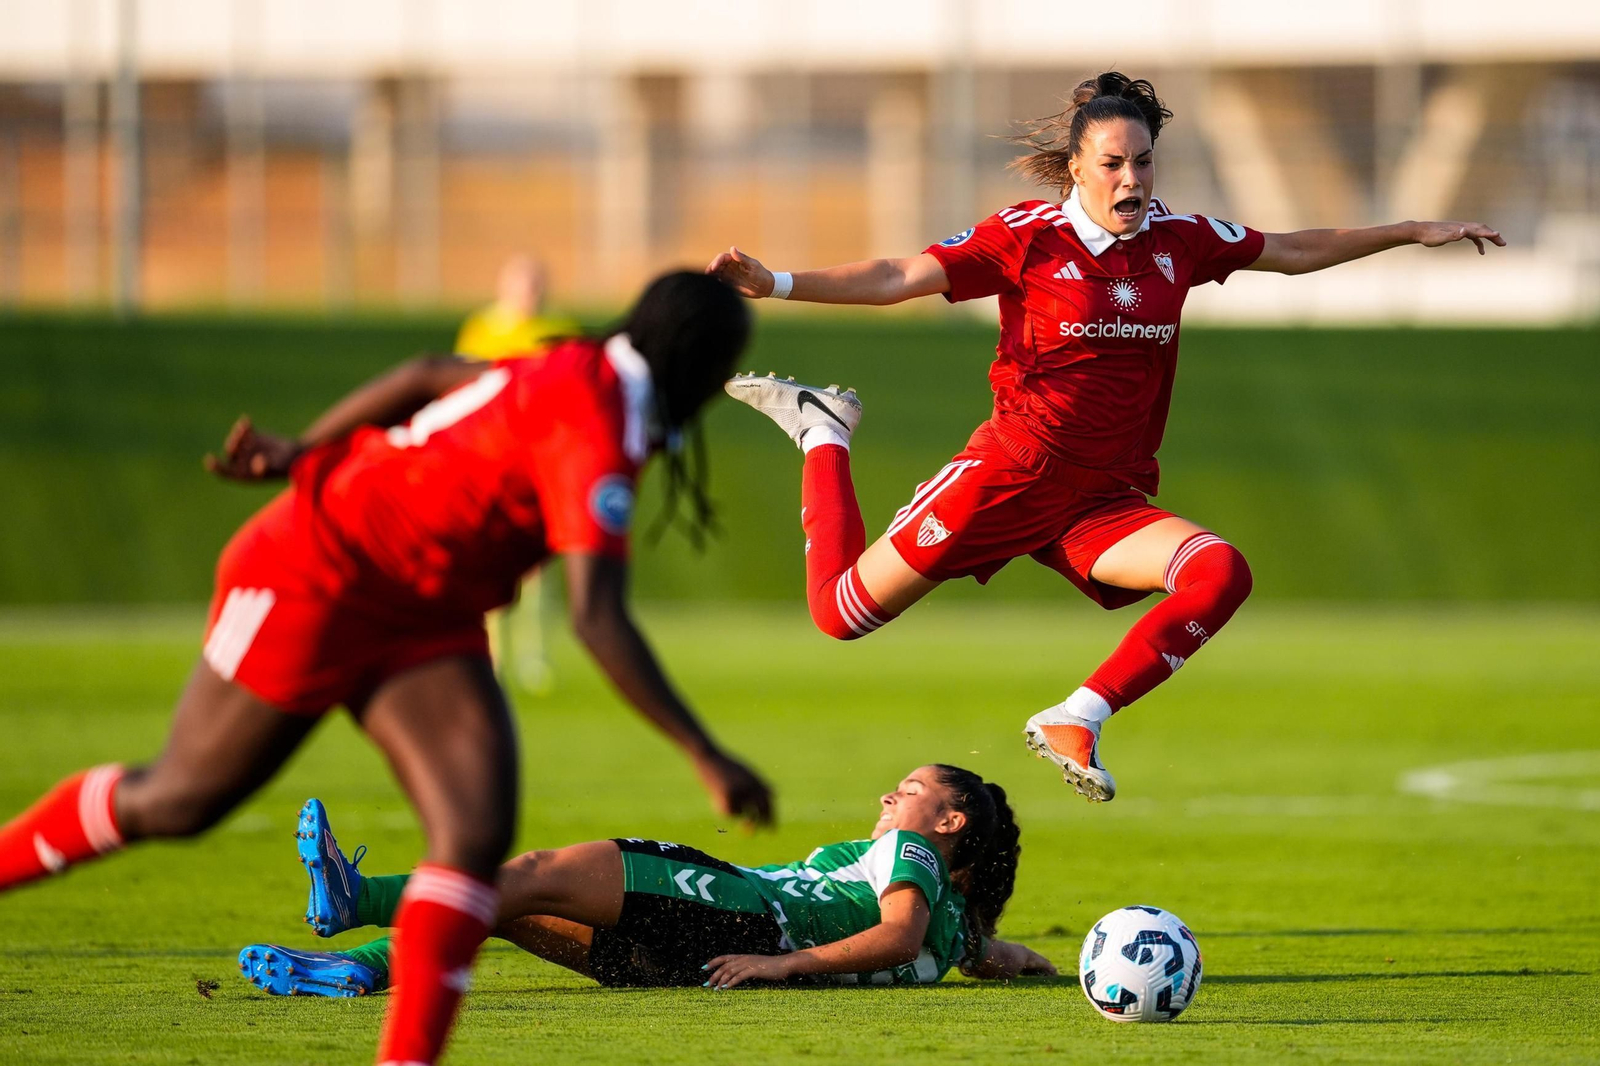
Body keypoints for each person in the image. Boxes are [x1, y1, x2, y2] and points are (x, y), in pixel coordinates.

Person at [0, 271, 773, 1066]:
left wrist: (303, 447)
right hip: (317, 569)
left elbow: (426, 374)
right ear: (696, 362)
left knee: (473, 829)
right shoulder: (596, 424)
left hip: (423, 611)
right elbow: (597, 618)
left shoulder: (579, 366)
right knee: (180, 799)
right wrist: (705, 754)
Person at [708, 72, 1504, 804]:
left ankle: (1077, 716)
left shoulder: (1181, 239)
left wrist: (1408, 229)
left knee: (1220, 571)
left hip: (1101, 499)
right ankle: (823, 429)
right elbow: (897, 275)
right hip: (1009, 475)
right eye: (1115, 164)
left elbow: (1293, 250)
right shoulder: (1027, 238)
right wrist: (777, 283)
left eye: (1145, 162)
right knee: (839, 615)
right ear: (1078, 169)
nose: (1132, 181)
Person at [237, 765, 1054, 996]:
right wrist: (1060, 963)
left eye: (911, 791)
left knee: (527, 872)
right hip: (676, 967)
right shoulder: (965, 936)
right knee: (511, 907)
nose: (890, 796)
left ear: (949, 826)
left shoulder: (914, 857)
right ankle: (367, 968)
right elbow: (1000, 956)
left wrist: (781, 963)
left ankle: (360, 899)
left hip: (737, 917)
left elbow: (897, 934)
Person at [455, 255, 584, 694]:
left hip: (544, 460)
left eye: (536, 283)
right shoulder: (482, 329)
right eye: (522, 283)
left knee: (540, 567)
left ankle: (535, 655)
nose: (531, 292)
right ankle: (493, 655)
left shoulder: (560, 327)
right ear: (503, 286)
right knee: (490, 560)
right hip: (493, 458)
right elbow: (463, 389)